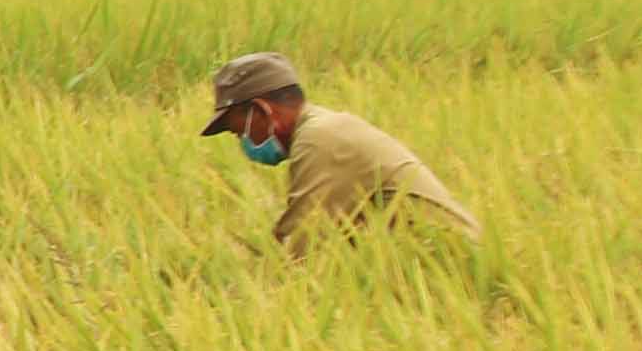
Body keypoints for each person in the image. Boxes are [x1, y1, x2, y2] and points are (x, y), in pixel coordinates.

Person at [201, 51, 480, 248]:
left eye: (240, 132)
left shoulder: (320, 139)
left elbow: (301, 246)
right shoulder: (321, 128)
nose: (243, 143)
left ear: (263, 110)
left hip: (448, 259)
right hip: (427, 257)